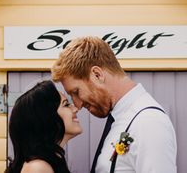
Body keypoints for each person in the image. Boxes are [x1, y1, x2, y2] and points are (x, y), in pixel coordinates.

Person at [52, 36, 177, 173]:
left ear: (97, 75)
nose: (77, 105)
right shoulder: (120, 118)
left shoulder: (149, 122)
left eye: (76, 92)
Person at [5, 80, 82, 173]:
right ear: (46, 117)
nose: (75, 109)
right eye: (66, 104)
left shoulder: (47, 163)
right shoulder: (38, 168)